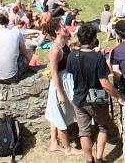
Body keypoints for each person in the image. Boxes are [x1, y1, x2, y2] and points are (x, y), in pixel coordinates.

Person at [66, 23, 124, 163]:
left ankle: (89, 160)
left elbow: (70, 73)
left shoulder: (72, 56)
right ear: (93, 39)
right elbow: (104, 83)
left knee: (84, 131)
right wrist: (118, 96)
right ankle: (99, 159)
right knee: (102, 127)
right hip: (96, 99)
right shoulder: (98, 57)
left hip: (79, 98)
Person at [41, 20, 77, 154]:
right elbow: (54, 73)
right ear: (57, 31)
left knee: (55, 113)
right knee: (60, 114)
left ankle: (53, 143)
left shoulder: (64, 43)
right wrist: (60, 93)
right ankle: (67, 148)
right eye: (63, 27)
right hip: (60, 83)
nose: (66, 28)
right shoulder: (55, 49)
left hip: (66, 80)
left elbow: (72, 38)